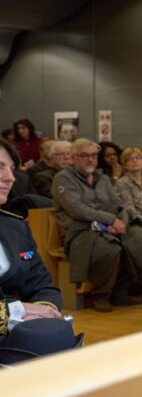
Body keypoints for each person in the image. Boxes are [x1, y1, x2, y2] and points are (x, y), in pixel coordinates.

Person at [52, 138, 142, 312]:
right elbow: (77, 210)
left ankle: (127, 289)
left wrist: (121, 222)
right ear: (73, 158)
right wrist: (110, 220)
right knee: (110, 249)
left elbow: (119, 204)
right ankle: (102, 294)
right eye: (84, 155)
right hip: (80, 229)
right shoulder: (63, 178)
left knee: (139, 238)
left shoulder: (102, 178)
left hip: (110, 225)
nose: (90, 159)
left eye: (93, 155)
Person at [0, 139, 78, 362]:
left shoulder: (15, 227)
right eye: (0, 167)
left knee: (53, 337)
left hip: (17, 340)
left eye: (12, 170)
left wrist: (45, 310)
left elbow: (42, 284)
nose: (10, 178)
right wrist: (15, 312)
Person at [113, 147, 142, 233]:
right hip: (135, 223)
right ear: (125, 165)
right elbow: (130, 210)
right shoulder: (122, 183)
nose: (134, 161)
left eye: (137, 158)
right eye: (129, 159)